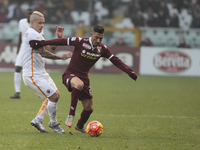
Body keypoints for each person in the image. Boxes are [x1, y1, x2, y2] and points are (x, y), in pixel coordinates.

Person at [29, 25, 137, 133]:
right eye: (96, 37)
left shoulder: (102, 49)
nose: (98, 40)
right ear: (91, 35)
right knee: (78, 84)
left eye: (101, 38)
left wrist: (129, 71)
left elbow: (116, 60)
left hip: (84, 78)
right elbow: (63, 41)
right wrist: (41, 43)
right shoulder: (80, 41)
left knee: (89, 108)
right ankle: (71, 114)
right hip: (70, 74)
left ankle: (79, 125)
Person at [22, 11, 72, 133]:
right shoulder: (32, 34)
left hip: (41, 73)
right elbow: (43, 53)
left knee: (56, 96)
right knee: (53, 96)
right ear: (32, 22)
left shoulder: (37, 33)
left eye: (43, 23)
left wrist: (58, 39)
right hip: (32, 75)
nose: (42, 25)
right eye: (40, 23)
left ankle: (37, 120)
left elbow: (48, 49)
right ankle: (53, 123)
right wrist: (61, 57)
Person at [10, 9, 33, 99]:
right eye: (28, 13)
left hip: (32, 50)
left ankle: (40, 93)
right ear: (26, 14)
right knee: (17, 68)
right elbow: (20, 35)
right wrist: (18, 47)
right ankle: (17, 92)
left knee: (34, 72)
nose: (29, 15)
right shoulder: (21, 22)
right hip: (23, 48)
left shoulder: (36, 24)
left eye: (31, 13)